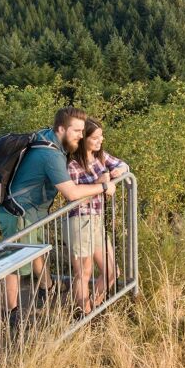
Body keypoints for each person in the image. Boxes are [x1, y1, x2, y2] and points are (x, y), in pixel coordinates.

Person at [1, 106, 117, 332]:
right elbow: (72, 193)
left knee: (35, 251)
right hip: (18, 212)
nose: (81, 136)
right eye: (76, 131)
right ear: (61, 129)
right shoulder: (51, 155)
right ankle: (11, 316)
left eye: (83, 131)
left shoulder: (50, 139)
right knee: (14, 264)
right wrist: (103, 186)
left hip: (32, 211)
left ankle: (48, 287)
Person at [65, 118, 128, 314]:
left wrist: (119, 170)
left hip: (97, 220)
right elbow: (73, 196)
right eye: (95, 137)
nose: (101, 140)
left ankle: (93, 307)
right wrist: (101, 186)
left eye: (101, 136)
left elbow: (124, 165)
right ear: (84, 139)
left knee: (111, 271)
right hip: (80, 219)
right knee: (83, 273)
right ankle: (83, 315)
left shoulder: (101, 157)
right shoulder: (72, 164)